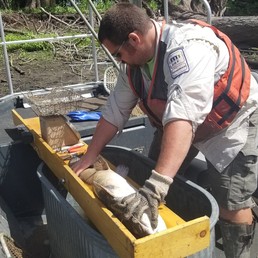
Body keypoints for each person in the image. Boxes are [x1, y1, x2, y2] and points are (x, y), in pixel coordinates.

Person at [72, 3, 258, 257]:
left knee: (231, 200)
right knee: (152, 172)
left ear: (133, 40)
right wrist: (89, 156)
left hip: (230, 124)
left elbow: (184, 115)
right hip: (182, 125)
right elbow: (115, 111)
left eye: (117, 54)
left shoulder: (188, 48)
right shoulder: (133, 67)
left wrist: (155, 188)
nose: (119, 61)